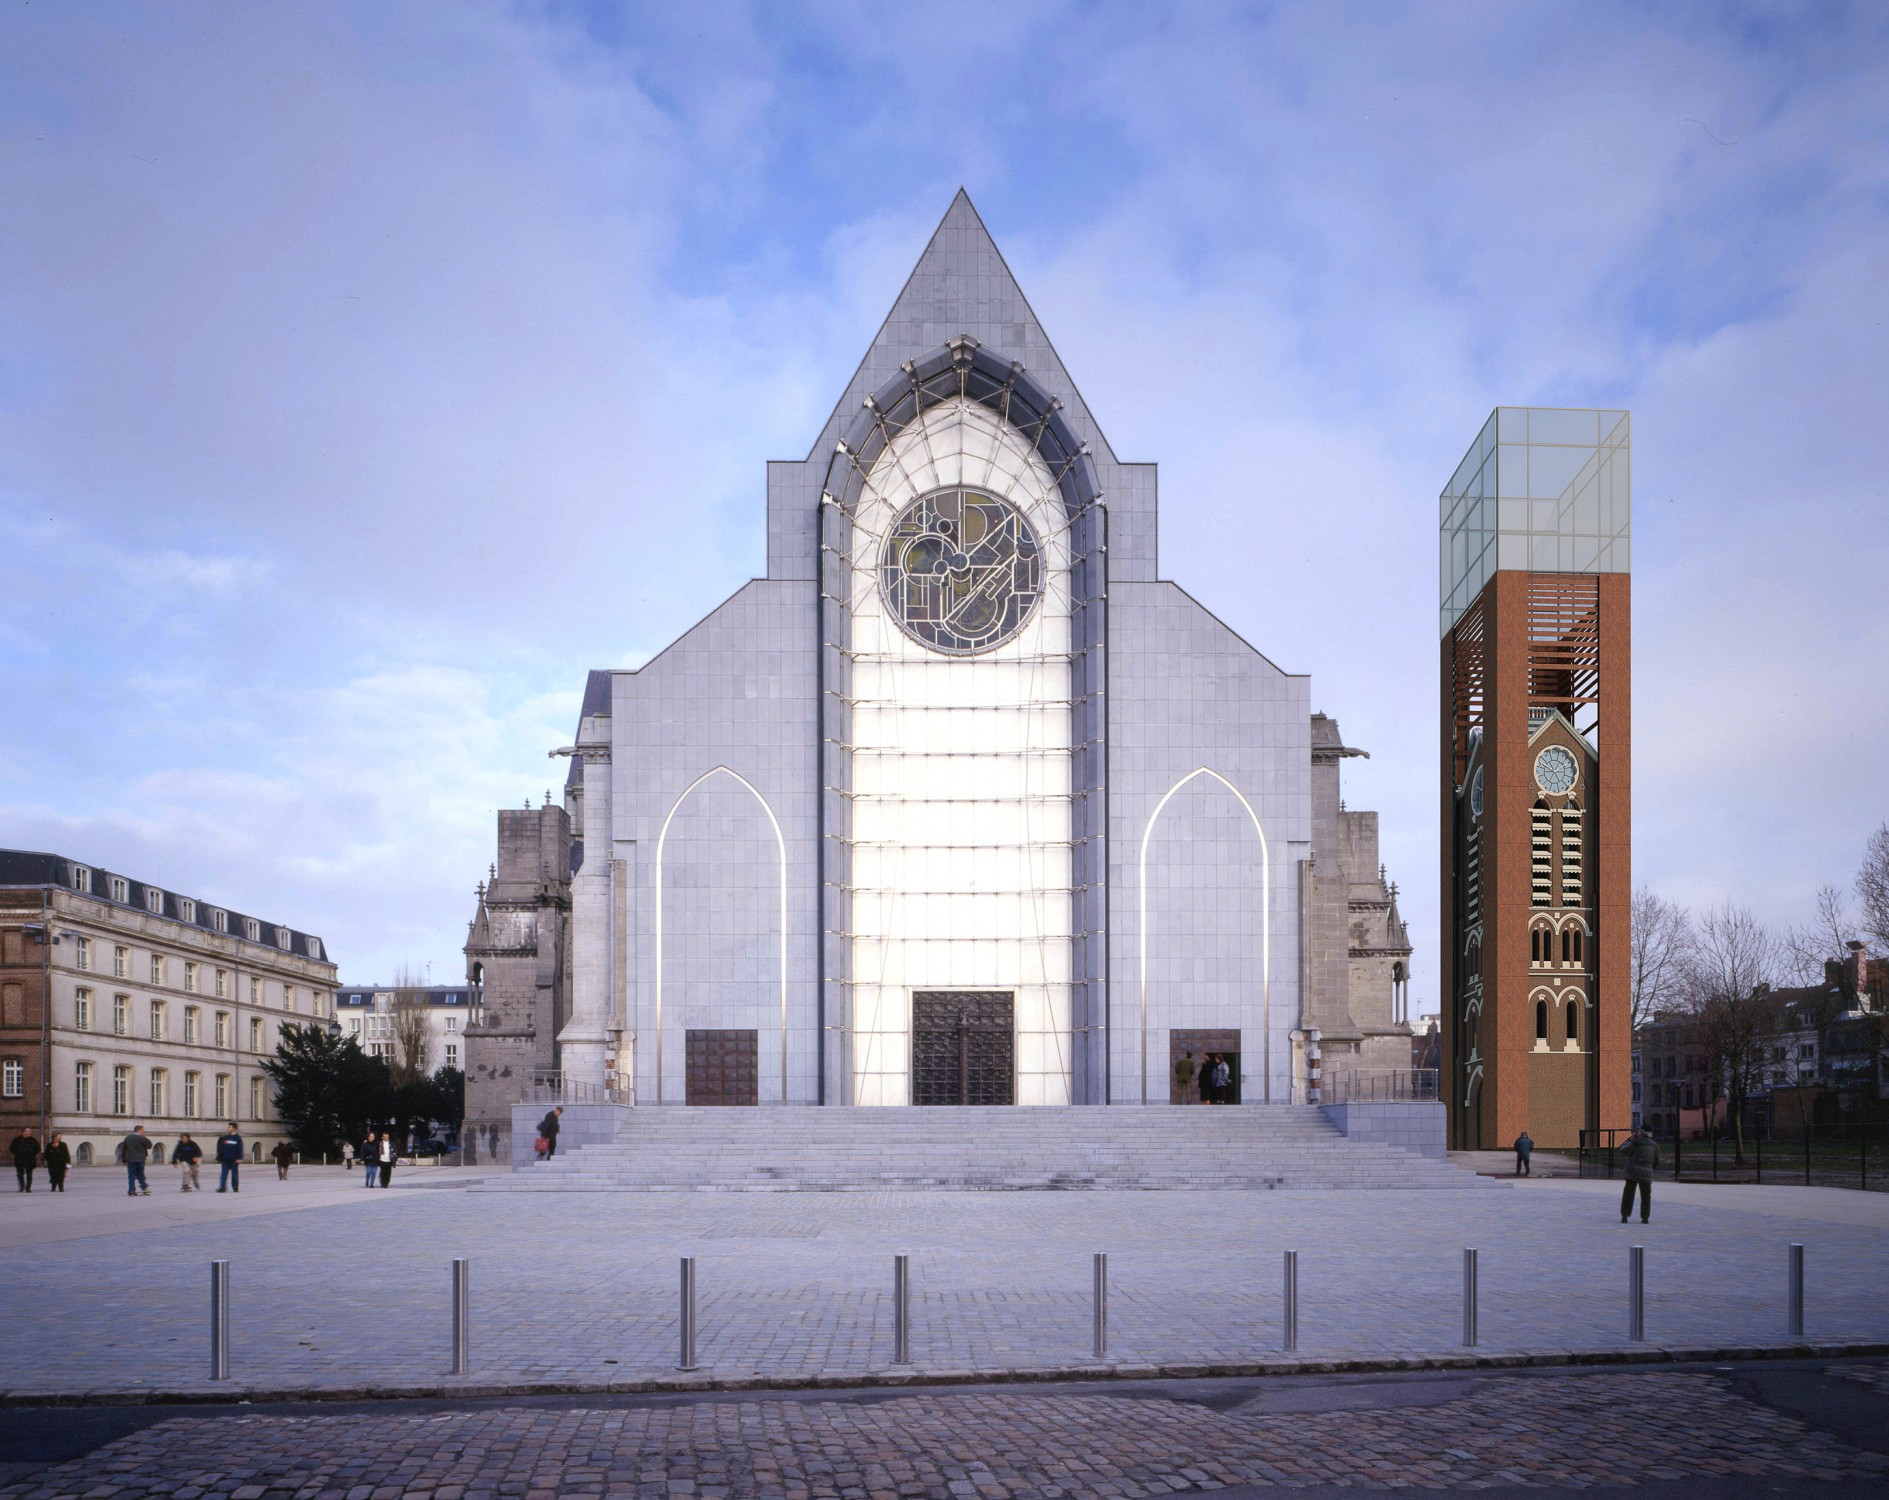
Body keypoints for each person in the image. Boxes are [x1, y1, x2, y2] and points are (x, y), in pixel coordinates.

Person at [1619, 1126, 1659, 1224]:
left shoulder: (1635, 1143)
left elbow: (1622, 1150)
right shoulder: (1654, 1145)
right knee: (1646, 1195)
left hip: (1632, 1171)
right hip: (1647, 1172)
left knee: (1628, 1195)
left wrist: (1631, 1139)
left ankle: (1625, 1216)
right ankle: (1645, 1217)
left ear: (1640, 1132)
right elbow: (1657, 1160)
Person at [119, 1125, 153, 1196]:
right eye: (143, 1130)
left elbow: (123, 1149)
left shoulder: (127, 1138)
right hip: (140, 1159)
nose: (143, 1132)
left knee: (131, 1175)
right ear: (139, 1130)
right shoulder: (142, 1138)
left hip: (130, 1159)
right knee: (140, 1174)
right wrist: (144, 1137)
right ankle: (144, 1188)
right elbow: (149, 1145)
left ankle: (131, 1190)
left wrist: (123, 1159)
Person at [215, 1123, 244, 1193]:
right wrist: (220, 1157)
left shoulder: (238, 1138)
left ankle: (235, 1187)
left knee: (234, 1174)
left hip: (234, 1160)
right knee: (223, 1174)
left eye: (229, 1127)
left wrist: (239, 1158)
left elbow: (240, 1148)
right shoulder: (225, 1137)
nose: (228, 1128)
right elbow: (222, 1148)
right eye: (228, 1127)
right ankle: (222, 1187)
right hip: (225, 1159)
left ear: (234, 1128)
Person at [8, 1126, 39, 1192]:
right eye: (28, 1131)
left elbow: (38, 1148)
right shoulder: (17, 1140)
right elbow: (11, 1148)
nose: (30, 1132)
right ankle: (21, 1187)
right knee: (20, 1174)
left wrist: (32, 1153)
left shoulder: (33, 1140)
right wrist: (17, 1154)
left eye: (30, 1131)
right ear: (23, 1132)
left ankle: (28, 1188)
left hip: (30, 1159)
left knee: (29, 1174)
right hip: (20, 1159)